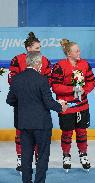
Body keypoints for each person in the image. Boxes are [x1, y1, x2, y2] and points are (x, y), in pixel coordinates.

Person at [6, 51, 67, 183]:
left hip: (24, 123)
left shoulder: (17, 79)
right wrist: (61, 106)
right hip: (42, 125)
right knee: (43, 156)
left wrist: (24, 104)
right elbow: (49, 102)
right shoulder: (42, 80)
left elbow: (10, 100)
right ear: (38, 63)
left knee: (26, 157)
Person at [8, 32, 52, 174]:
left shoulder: (45, 60)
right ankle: (21, 157)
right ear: (28, 48)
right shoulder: (17, 60)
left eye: (40, 48)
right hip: (22, 103)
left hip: (40, 103)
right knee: (21, 131)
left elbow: (48, 80)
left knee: (39, 133)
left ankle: (38, 158)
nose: (39, 50)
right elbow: (12, 80)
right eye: (37, 48)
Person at [51, 39, 95, 172]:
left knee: (82, 132)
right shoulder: (60, 66)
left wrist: (85, 90)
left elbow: (92, 82)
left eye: (79, 50)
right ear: (69, 53)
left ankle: (83, 154)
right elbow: (55, 87)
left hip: (83, 106)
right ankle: (66, 155)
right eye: (76, 51)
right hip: (67, 107)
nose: (79, 52)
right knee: (67, 133)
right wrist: (72, 90)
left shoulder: (85, 64)